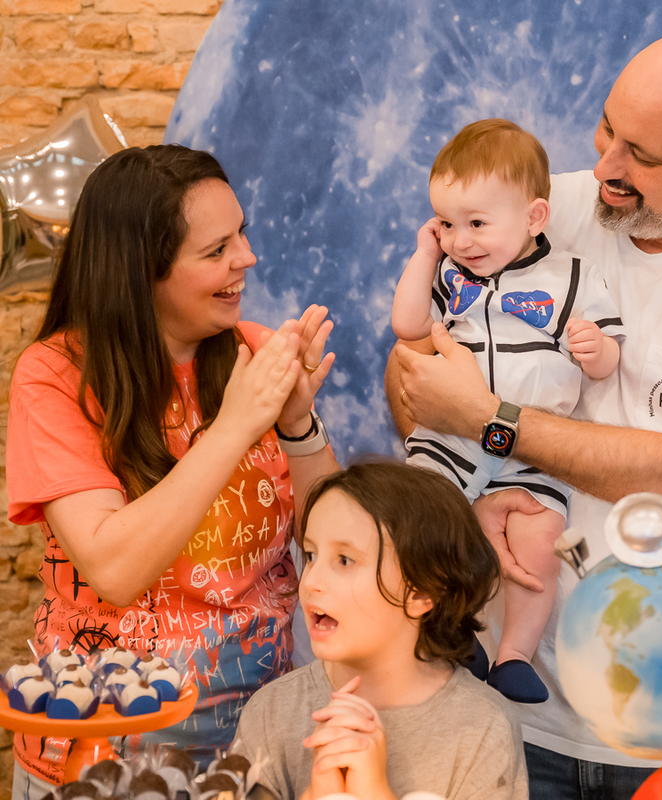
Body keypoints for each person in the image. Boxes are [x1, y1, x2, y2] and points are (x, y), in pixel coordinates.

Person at [388, 27, 662, 799]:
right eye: (607, 129)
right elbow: (416, 375)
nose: (605, 168)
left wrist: (492, 422)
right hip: (500, 706)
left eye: (644, 157)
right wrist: (476, 476)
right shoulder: (538, 207)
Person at [5, 145, 338, 797]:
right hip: (100, 758)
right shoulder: (55, 377)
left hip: (254, 752)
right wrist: (236, 425)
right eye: (216, 250)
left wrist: (299, 426)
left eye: (241, 234)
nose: (247, 258)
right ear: (141, 272)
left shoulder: (254, 352)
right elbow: (115, 569)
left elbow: (334, 544)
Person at [391, 119, 623, 704]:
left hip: (533, 445)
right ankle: (449, 629)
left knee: (539, 540)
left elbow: (606, 363)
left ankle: (515, 654)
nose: (460, 240)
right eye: (446, 224)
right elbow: (408, 325)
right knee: (423, 524)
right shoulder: (449, 273)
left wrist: (597, 349)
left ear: (534, 217)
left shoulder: (571, 277)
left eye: (476, 224)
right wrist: (424, 255)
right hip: (450, 435)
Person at [233, 461, 526, 800]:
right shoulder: (270, 712)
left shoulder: (484, 728)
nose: (311, 581)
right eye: (310, 555)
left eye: (345, 560)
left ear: (422, 592)